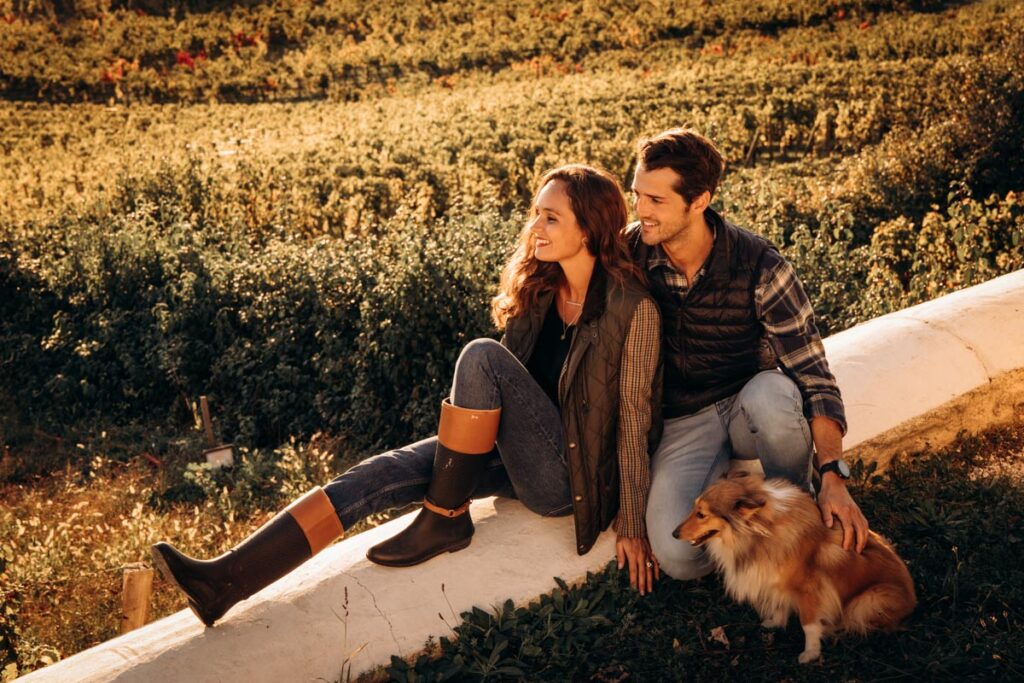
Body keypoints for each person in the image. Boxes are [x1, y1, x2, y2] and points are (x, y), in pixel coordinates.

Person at [151, 164, 663, 627]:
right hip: (517, 453)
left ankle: (444, 519)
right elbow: (513, 402)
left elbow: (635, 423)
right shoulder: (541, 290)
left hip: (567, 479)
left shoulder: (632, 309)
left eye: (551, 218)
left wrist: (633, 523)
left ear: (589, 227)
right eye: (536, 214)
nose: (535, 227)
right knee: (377, 474)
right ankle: (224, 581)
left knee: (482, 355)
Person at [625, 128, 869, 582]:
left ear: (699, 201)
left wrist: (834, 475)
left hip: (744, 404)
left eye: (656, 200)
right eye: (637, 194)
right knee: (679, 559)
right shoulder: (628, 255)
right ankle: (746, 534)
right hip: (681, 421)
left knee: (774, 395)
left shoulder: (760, 265)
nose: (641, 210)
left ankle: (794, 511)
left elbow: (813, 375)